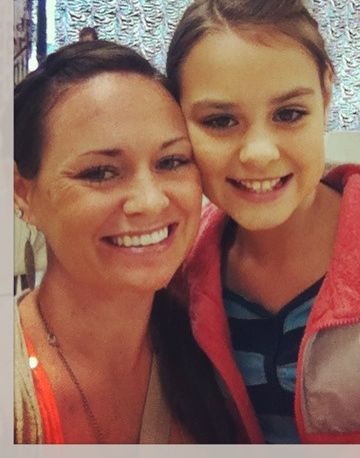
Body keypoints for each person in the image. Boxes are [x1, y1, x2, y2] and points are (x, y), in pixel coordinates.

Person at [165, 0, 360, 444]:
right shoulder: (175, 273)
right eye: (221, 121)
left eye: (289, 114)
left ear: (325, 96)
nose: (259, 153)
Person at [14, 39, 237, 444]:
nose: (150, 201)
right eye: (100, 172)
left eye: (171, 161)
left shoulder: (219, 353)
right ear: (21, 192)